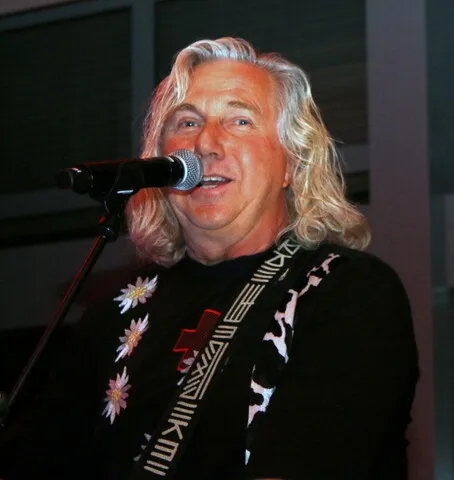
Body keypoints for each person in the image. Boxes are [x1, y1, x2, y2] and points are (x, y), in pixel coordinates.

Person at [0, 37, 418, 480]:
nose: (205, 144)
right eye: (187, 122)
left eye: (240, 120)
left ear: (293, 163)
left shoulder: (347, 291)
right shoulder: (114, 314)